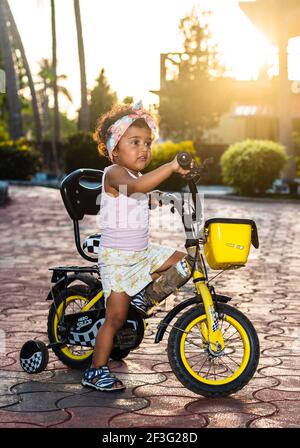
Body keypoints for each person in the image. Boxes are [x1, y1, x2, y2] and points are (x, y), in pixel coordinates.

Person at [81, 101, 193, 392]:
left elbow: (147, 192)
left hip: (141, 253)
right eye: (135, 142)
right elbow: (141, 187)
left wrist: (172, 200)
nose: (144, 148)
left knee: (186, 260)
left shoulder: (133, 178)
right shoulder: (114, 174)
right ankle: (95, 371)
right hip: (118, 258)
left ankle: (143, 298)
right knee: (115, 318)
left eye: (147, 143)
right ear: (115, 150)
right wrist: (170, 167)